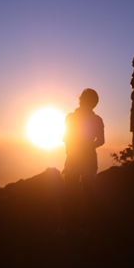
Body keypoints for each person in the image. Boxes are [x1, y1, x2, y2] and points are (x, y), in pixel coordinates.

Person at [58, 89, 105, 234]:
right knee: (88, 193)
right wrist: (88, 145)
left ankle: (67, 227)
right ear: (95, 103)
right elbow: (101, 141)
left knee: (70, 192)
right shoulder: (97, 119)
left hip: (73, 157)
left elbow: (64, 137)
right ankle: (86, 227)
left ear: (81, 100)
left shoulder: (70, 117)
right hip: (89, 158)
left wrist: (75, 144)